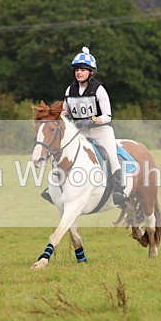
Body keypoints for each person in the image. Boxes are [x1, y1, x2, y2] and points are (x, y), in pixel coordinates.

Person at [61, 46, 127, 208]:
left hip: (101, 131)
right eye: (77, 70)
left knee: (111, 154)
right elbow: (65, 110)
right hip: (80, 132)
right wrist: (63, 117)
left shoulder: (99, 90)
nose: (79, 73)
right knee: (64, 151)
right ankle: (55, 187)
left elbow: (108, 116)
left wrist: (93, 120)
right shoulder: (70, 89)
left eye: (83, 70)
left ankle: (119, 190)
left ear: (91, 72)